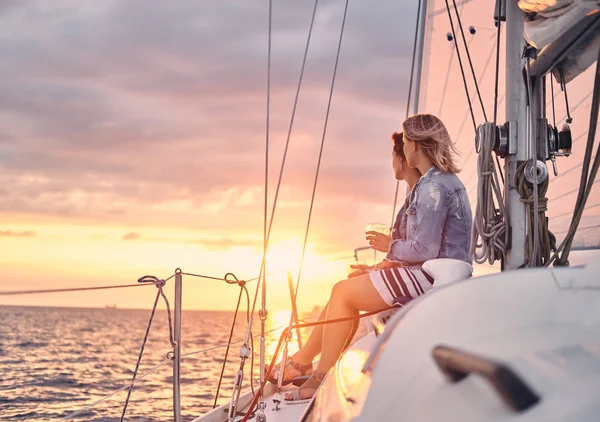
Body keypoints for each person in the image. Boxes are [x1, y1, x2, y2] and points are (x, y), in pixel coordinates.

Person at [279, 114, 473, 401]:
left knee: (342, 293)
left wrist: (388, 246)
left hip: (433, 276)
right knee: (343, 290)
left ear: (415, 146)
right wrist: (379, 266)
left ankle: (317, 374)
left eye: (406, 141)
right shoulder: (435, 183)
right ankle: (306, 363)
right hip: (433, 273)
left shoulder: (435, 187)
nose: (404, 148)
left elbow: (425, 250)